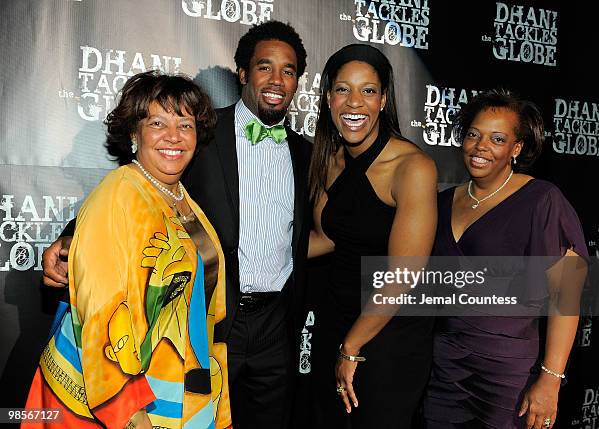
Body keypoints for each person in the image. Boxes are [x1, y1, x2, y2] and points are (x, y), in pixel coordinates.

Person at [41, 21, 311, 429]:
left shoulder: (307, 153)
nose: (276, 79)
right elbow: (125, 201)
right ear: (242, 73)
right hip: (209, 325)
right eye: (264, 67)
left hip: (270, 326)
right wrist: (68, 241)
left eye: (288, 71)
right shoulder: (203, 133)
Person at [24, 71, 231, 428]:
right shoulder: (119, 191)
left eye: (185, 125)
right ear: (135, 133)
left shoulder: (182, 198)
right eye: (157, 123)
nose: (173, 136)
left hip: (178, 387)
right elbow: (102, 311)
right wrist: (129, 412)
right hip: (126, 398)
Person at [423, 89, 588, 429]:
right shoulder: (440, 201)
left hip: (508, 376)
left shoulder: (542, 199)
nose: (481, 146)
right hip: (445, 368)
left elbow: (567, 295)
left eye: (497, 138)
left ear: (516, 149)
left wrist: (551, 378)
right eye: (473, 134)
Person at [308, 44, 438, 428]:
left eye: (368, 91)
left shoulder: (412, 167)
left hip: (387, 335)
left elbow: (404, 274)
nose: (354, 102)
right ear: (329, 97)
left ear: (383, 100)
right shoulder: (329, 158)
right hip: (336, 320)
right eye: (343, 89)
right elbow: (331, 238)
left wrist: (351, 348)